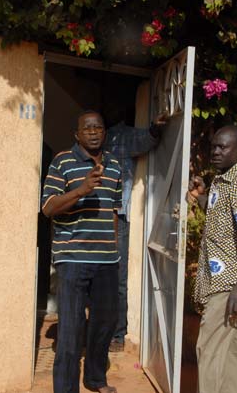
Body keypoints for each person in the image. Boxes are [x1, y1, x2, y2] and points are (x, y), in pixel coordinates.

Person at [41, 111, 122, 393]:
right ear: (77, 134)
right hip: (73, 259)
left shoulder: (114, 165)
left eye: (98, 127)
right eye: (87, 128)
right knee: (71, 331)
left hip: (107, 260)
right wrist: (81, 190)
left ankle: (95, 379)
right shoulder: (62, 162)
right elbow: (48, 207)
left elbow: (114, 210)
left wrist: (114, 248)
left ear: (104, 132)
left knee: (105, 324)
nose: (93, 131)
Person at [187, 125, 237, 393]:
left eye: (223, 147)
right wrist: (202, 197)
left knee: (208, 349)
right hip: (224, 280)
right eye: (214, 146)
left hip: (231, 283)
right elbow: (222, 216)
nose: (216, 151)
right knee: (235, 355)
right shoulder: (222, 182)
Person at [103, 107, 168, 352]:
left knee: (117, 277)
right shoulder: (95, 137)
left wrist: (154, 128)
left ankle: (118, 335)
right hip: (94, 219)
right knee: (94, 277)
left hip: (117, 218)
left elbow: (145, 140)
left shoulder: (123, 135)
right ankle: (99, 331)